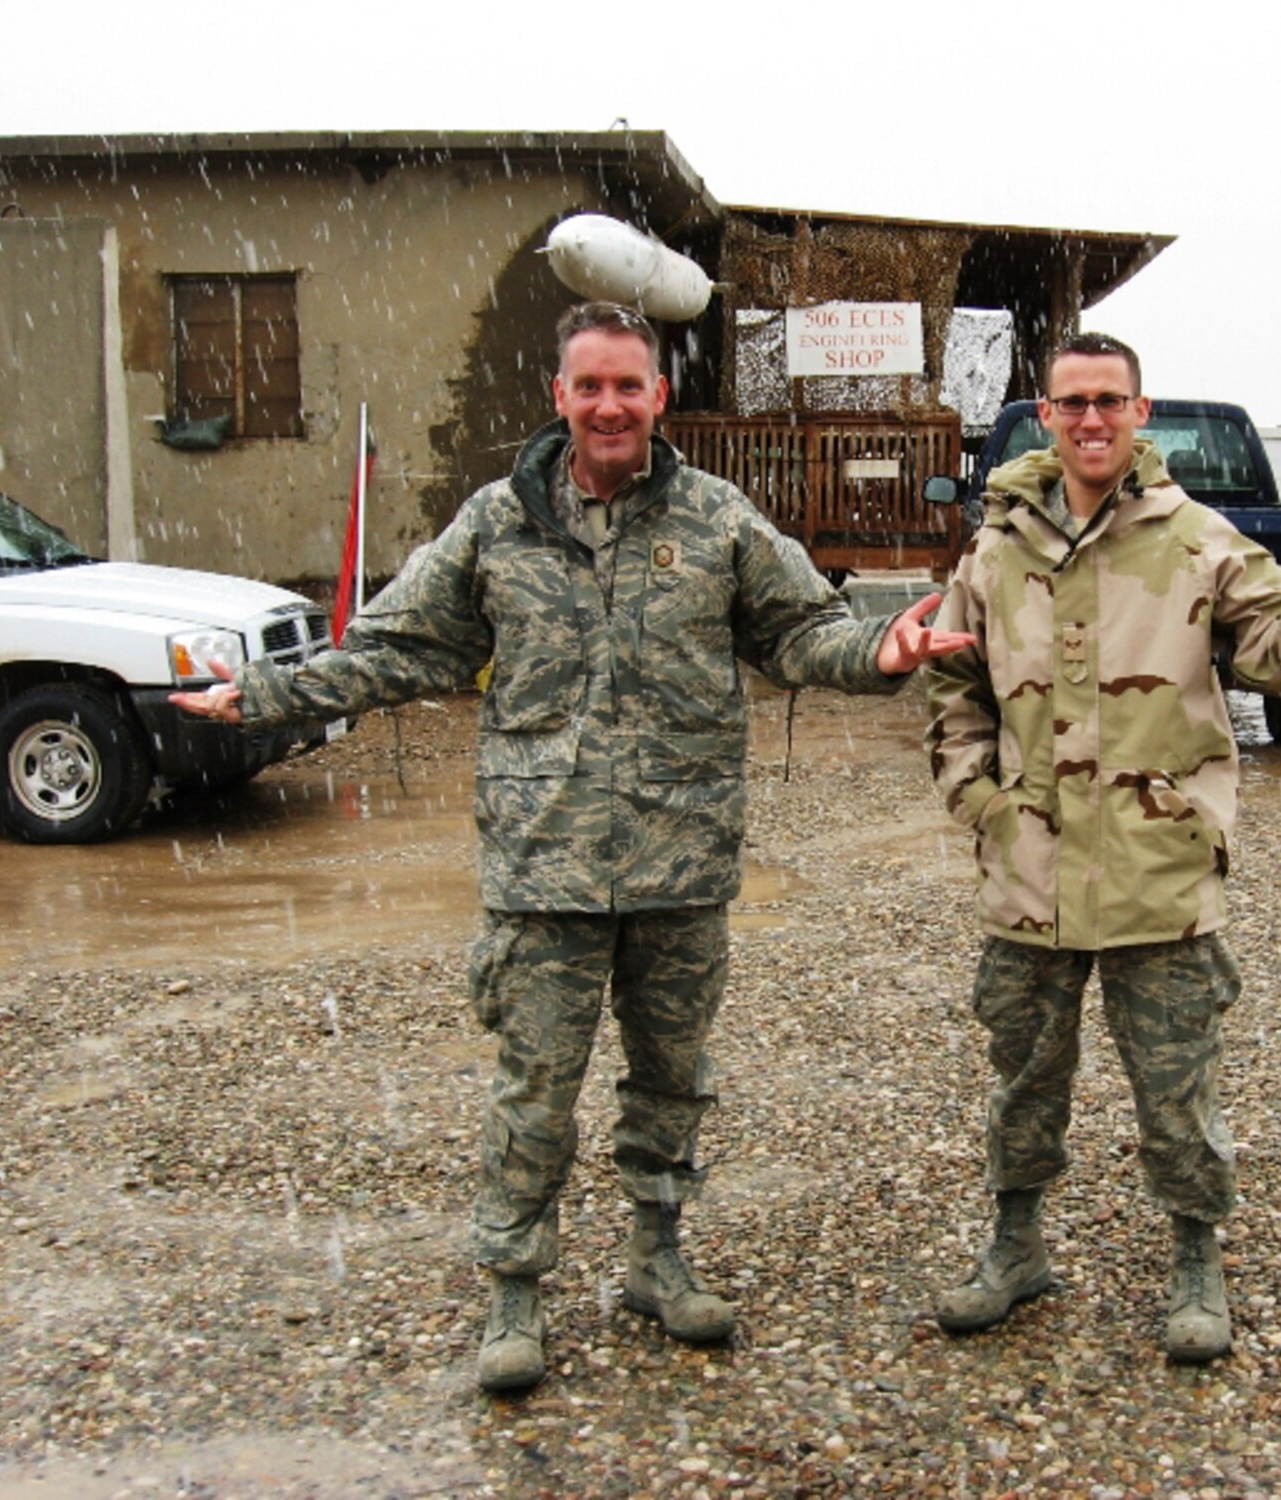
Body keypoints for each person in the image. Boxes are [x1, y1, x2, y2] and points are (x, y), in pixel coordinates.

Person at [171, 300, 972, 1394]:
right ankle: (512, 1294)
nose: (608, 405)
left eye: (626, 386)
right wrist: (268, 692)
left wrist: (878, 652)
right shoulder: (497, 525)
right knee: (533, 1092)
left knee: (670, 1082)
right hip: (541, 870)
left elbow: (798, 632)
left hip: (679, 864)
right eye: (587, 386)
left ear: (657, 398)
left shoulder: (717, 520)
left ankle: (655, 1256)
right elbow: (398, 648)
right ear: (558, 397)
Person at [923, 332, 1281, 1362]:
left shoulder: (1196, 540)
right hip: (1029, 874)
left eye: (1109, 400)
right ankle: (1015, 1247)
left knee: (1175, 1082)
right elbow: (953, 687)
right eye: (1070, 403)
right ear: (1044, 417)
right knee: (1021, 1075)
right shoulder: (994, 551)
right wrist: (977, 799)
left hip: (1159, 874)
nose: (1090, 420)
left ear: (1140, 414)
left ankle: (1194, 1257)